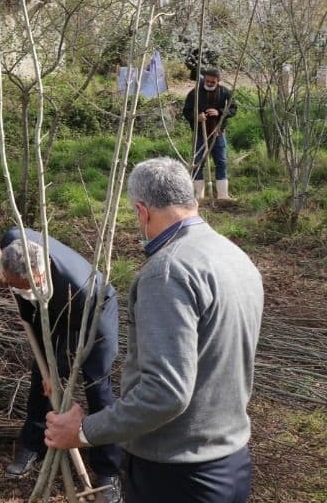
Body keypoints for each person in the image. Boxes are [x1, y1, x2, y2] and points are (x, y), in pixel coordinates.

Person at [45, 157, 263, 503]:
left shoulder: (168, 272)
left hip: (176, 476)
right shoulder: (234, 256)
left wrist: (85, 431)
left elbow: (166, 393)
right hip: (231, 462)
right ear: (192, 199)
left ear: (142, 211)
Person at [0, 231, 121, 502]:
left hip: (93, 315)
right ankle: (33, 444)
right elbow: (42, 331)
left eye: (24, 286)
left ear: (40, 275)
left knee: (96, 384)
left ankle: (109, 470)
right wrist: (46, 372)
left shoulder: (77, 287)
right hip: (51, 307)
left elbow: (69, 337)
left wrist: (56, 371)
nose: (18, 291)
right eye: (15, 286)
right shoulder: (11, 240)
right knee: (39, 378)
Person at [181, 67, 237, 201]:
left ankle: (223, 195)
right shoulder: (194, 93)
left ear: (218, 81)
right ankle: (198, 195)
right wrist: (196, 117)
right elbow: (186, 111)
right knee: (197, 162)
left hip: (218, 133)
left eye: (213, 82)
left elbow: (233, 108)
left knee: (221, 162)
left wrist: (220, 112)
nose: (209, 84)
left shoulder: (225, 92)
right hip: (200, 134)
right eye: (207, 81)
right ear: (204, 79)